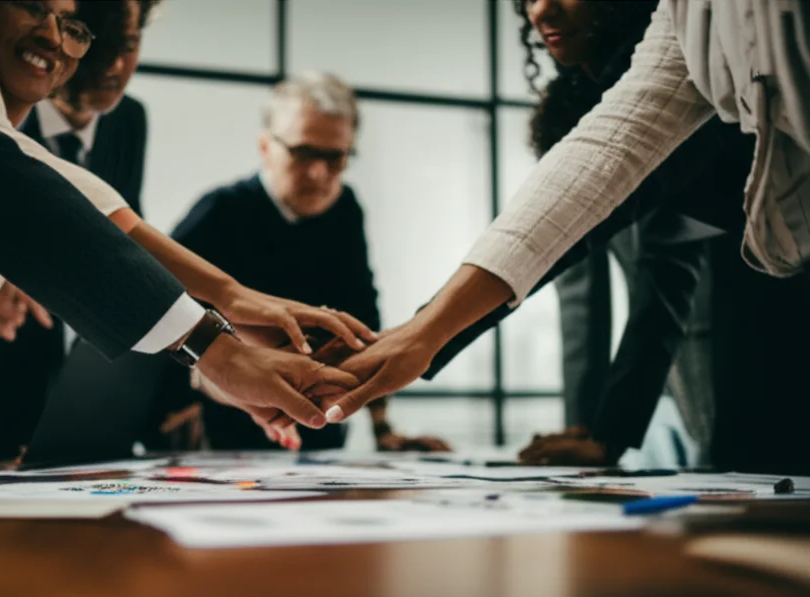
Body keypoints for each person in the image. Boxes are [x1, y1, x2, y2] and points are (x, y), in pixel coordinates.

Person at [0, 0, 369, 481]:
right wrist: (223, 340)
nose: (54, 35)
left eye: (72, 24)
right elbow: (75, 214)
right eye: (30, 5)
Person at [317, 0, 810, 451]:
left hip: (765, 301)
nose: (542, 10)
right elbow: (575, 247)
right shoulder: (680, 28)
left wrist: (426, 332)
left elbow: (662, 273)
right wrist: (422, 332)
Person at [0, 0, 160, 468]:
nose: (114, 65)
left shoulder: (128, 121)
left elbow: (121, 245)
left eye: (129, 45)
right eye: (103, 43)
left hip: (47, 400)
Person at [168, 72, 451, 453]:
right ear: (265, 146)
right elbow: (157, 303)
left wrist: (383, 429)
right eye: (303, 154)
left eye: (335, 158)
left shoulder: (345, 209)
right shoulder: (220, 210)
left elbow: (362, 319)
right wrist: (172, 402)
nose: (319, 174)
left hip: (319, 427)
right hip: (216, 427)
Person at [511, 0, 723, 465]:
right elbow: (576, 286)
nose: (541, 11)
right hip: (666, 352)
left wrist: (610, 431)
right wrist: (585, 425)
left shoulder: (683, 75)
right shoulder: (567, 110)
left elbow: (671, 259)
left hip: (739, 329)